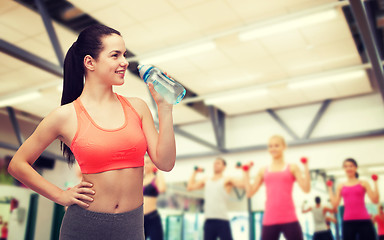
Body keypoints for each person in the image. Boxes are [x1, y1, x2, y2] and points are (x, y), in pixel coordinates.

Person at [7, 24, 176, 240]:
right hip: (84, 227)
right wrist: (60, 195)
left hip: (131, 227)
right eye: (115, 55)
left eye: (124, 54)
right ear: (89, 62)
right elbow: (18, 164)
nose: (124, 62)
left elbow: (166, 162)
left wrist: (165, 107)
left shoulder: (138, 107)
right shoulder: (65, 115)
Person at [243, 135, 310, 240]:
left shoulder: (292, 167)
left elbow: (306, 189)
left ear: (284, 147)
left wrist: (306, 167)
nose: (273, 149)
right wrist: (246, 173)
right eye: (270, 146)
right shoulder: (263, 170)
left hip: (289, 217)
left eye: (276, 145)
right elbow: (249, 193)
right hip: (270, 218)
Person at [187, 157, 244, 240]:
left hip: (222, 220)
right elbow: (190, 187)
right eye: (214, 163)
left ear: (224, 167)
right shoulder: (206, 180)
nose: (215, 165)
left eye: (218, 163)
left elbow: (243, 184)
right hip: (208, 220)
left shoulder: (227, 179)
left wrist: (243, 169)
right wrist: (194, 172)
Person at [327, 158, 379, 240]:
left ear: (356, 168)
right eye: (346, 166)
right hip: (348, 222)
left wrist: (375, 183)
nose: (348, 168)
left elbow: (375, 200)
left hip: (364, 220)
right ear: (343, 169)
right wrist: (330, 188)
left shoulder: (363, 183)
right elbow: (335, 204)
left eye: (351, 166)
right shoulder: (341, 186)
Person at [143, 155, 166, 240]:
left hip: (152, 217)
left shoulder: (155, 178)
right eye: (144, 163)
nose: (145, 165)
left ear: (153, 165)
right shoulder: (140, 179)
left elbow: (162, 189)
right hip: (140, 220)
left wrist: (158, 170)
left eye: (148, 163)